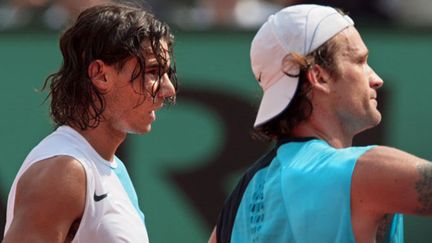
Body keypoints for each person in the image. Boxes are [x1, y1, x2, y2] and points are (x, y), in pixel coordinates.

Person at [209, 4, 432, 243]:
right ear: (319, 76)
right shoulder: (363, 172)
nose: (376, 79)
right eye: (360, 61)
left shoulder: (236, 205)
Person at [3, 2, 177, 242]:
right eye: (153, 71)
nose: (168, 89)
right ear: (101, 75)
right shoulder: (64, 171)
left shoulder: (112, 170)